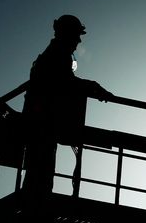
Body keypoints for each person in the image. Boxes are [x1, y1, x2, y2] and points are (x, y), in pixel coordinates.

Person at [21, 14, 113, 197]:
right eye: (77, 35)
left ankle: (34, 204)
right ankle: (35, 207)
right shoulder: (56, 55)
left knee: (39, 172)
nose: (79, 40)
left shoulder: (54, 54)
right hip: (42, 123)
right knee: (40, 172)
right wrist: (92, 87)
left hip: (42, 123)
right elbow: (63, 82)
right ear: (67, 33)